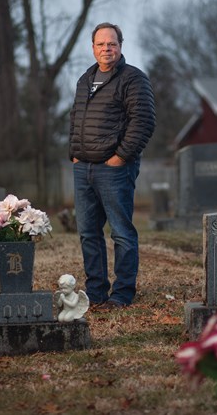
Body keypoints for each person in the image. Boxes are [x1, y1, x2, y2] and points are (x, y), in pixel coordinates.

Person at [69, 22, 156, 309]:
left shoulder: (133, 79)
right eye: (101, 44)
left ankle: (122, 294)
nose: (107, 48)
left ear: (120, 46)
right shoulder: (85, 79)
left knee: (120, 232)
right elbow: (75, 118)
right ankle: (95, 293)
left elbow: (143, 122)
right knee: (88, 233)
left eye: (112, 43)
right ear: (92, 47)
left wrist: (120, 157)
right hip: (84, 169)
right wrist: (75, 152)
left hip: (114, 169)